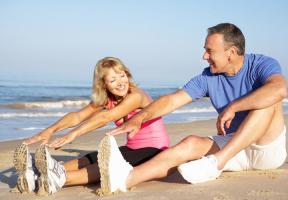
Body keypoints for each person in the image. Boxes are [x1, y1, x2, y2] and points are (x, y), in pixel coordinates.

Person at [97, 23, 288, 195]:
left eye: (209, 51)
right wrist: (141, 116)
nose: (204, 56)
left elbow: (279, 89)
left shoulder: (261, 64)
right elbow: (172, 100)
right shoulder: (207, 77)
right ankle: (125, 178)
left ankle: (218, 161)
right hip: (235, 145)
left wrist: (233, 107)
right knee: (189, 143)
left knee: (269, 99)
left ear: (230, 52)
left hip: (266, 148)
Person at [12, 57, 170, 195]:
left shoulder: (136, 96)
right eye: (113, 80)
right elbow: (78, 116)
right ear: (104, 84)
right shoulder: (108, 98)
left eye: (122, 76)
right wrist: (49, 130)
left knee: (106, 166)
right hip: (132, 148)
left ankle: (58, 178)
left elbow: (107, 117)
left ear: (127, 74)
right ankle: (37, 174)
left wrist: (72, 135)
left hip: (155, 151)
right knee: (91, 158)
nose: (120, 83)